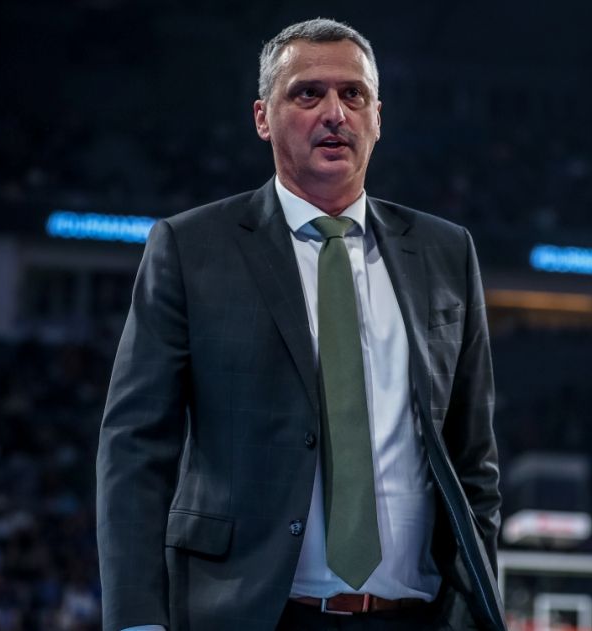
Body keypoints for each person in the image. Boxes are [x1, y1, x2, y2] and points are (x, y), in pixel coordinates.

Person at [97, 18, 503, 631]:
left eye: (353, 94)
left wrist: (476, 608)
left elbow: (474, 462)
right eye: (308, 93)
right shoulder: (191, 247)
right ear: (263, 117)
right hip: (250, 615)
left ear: (377, 117)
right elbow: (135, 447)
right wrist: (137, 620)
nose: (335, 113)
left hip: (419, 616)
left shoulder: (447, 251)